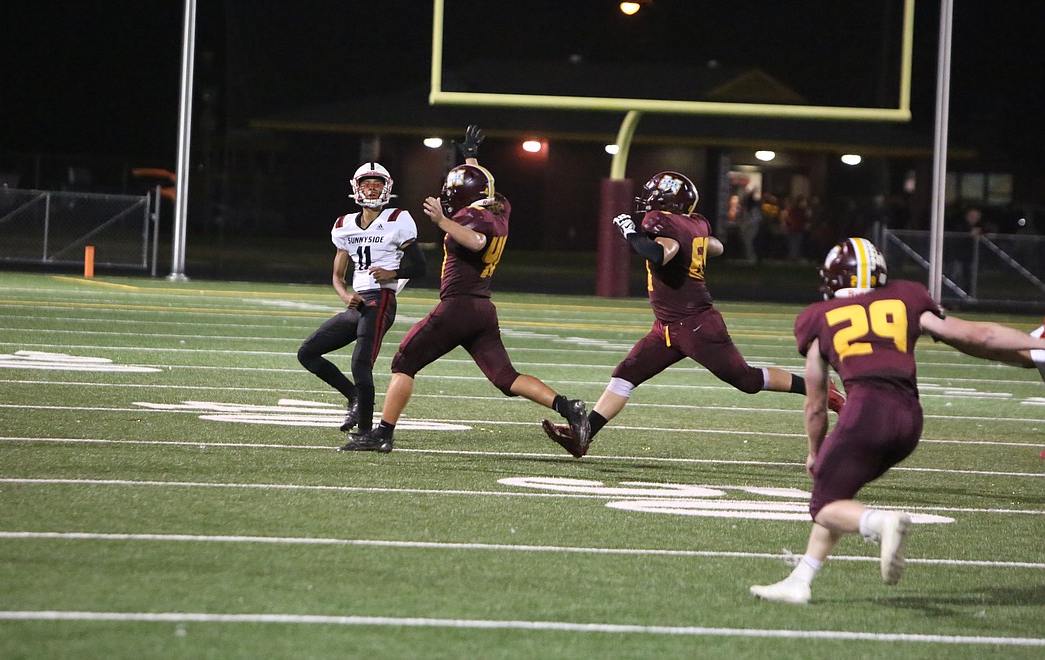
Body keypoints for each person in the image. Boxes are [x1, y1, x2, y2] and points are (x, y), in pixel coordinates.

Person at [749, 237, 1045, 605]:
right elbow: (977, 335)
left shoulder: (817, 318)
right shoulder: (905, 297)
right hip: (909, 419)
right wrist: (1038, 347)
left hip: (865, 413)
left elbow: (816, 402)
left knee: (824, 505)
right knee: (838, 493)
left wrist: (814, 451)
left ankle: (878, 523)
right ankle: (801, 579)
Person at [541, 171, 845, 458]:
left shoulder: (664, 224)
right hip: (668, 327)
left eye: (654, 195)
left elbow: (660, 253)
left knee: (747, 380)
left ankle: (818, 387)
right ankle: (584, 436)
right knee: (625, 374)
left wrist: (631, 234)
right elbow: (717, 246)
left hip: (695, 325)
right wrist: (693, 245)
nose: (648, 201)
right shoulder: (694, 223)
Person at [340, 125, 590, 453]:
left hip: (456, 307)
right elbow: (485, 187)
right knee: (505, 377)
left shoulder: (473, 220)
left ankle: (382, 433)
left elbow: (476, 239)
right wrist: (471, 158)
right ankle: (568, 407)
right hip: (482, 308)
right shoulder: (500, 208)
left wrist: (443, 222)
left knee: (404, 363)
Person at [297, 162, 426, 434]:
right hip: (359, 304)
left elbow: (421, 267)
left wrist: (393, 272)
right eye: (366, 184)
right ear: (356, 188)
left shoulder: (397, 218)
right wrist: (345, 296)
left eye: (377, 184)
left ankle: (366, 432)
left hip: (381, 300)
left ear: (387, 188)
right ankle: (354, 397)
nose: (371, 189)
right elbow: (337, 275)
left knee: (360, 364)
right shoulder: (343, 225)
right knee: (307, 353)